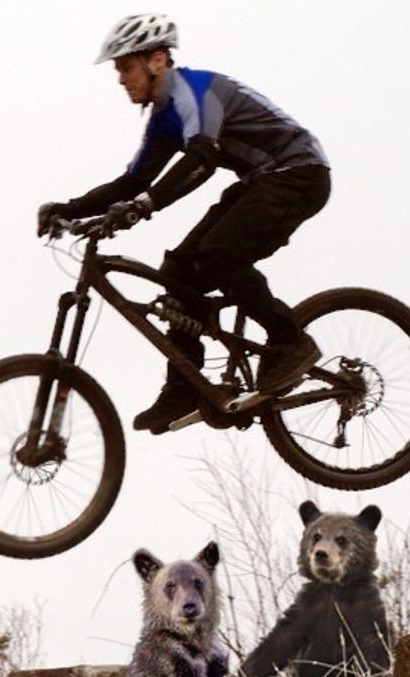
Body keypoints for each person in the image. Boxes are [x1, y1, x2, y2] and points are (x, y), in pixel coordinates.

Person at [37, 13, 331, 434]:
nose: (121, 79)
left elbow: (202, 159)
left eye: (126, 66)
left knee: (218, 256)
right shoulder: (163, 118)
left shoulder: (194, 91)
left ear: (157, 60)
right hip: (260, 181)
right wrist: (69, 208)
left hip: (299, 174)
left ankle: (290, 341)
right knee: (178, 271)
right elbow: (133, 181)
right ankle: (185, 384)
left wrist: (142, 206)